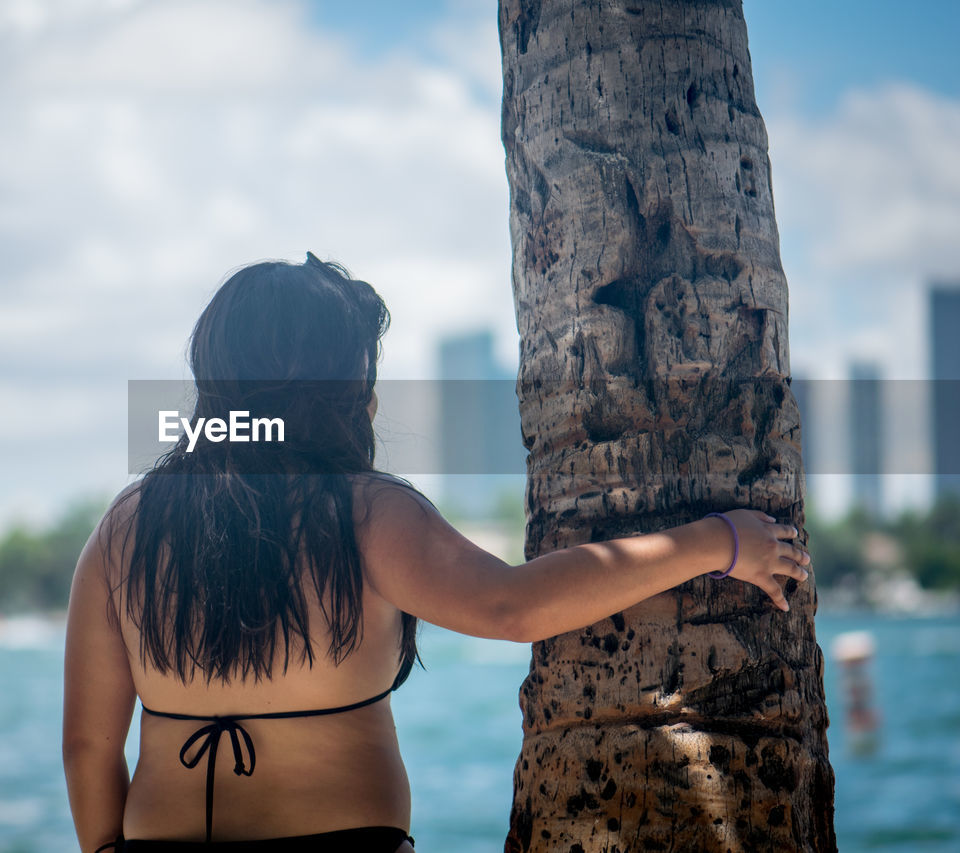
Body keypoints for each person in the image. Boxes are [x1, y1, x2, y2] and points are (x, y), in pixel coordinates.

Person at [62, 254, 811, 852]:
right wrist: (719, 541)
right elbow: (511, 605)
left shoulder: (127, 527)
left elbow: (89, 748)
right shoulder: (361, 511)